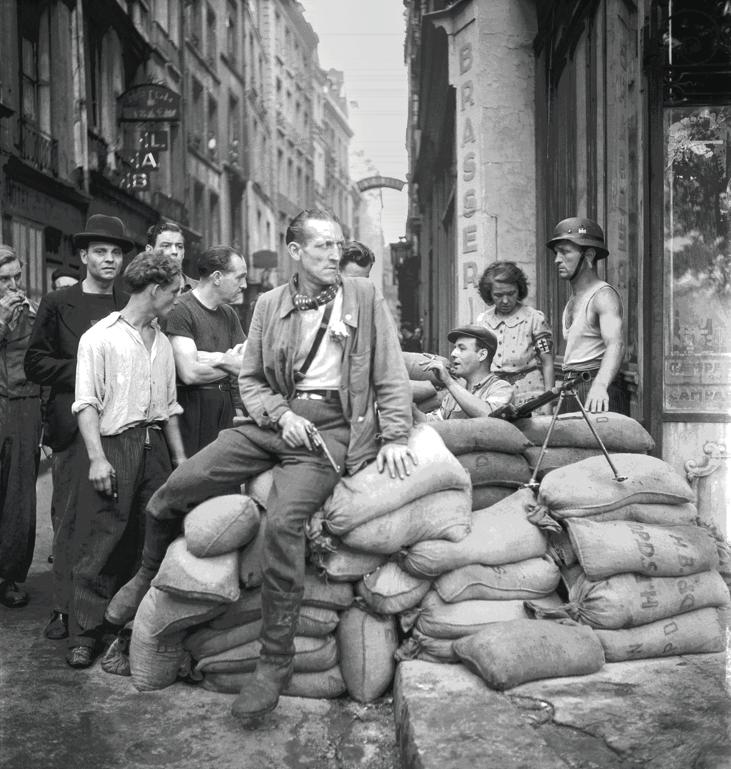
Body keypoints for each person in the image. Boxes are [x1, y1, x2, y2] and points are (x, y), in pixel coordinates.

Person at [106, 208, 415, 721]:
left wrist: (398, 435)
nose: (335, 255)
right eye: (323, 246)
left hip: (331, 431)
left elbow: (389, 372)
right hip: (272, 422)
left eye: (338, 245)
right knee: (176, 487)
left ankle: (273, 664)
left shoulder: (363, 296)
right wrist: (281, 413)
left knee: (285, 525)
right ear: (295, 252)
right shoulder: (269, 304)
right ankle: (144, 574)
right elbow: (249, 380)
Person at [65, 251, 186, 669]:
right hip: (115, 446)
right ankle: (85, 633)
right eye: (173, 292)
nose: (175, 300)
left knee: (152, 539)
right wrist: (97, 459)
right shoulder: (99, 338)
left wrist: (181, 460)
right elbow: (86, 406)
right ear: (154, 290)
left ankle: (128, 629)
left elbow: (169, 407)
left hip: (156, 448)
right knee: (103, 538)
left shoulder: (164, 341)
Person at [25, 215, 132, 640]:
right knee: (69, 521)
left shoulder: (128, 302)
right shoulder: (58, 303)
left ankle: (106, 612)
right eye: (100, 252)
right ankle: (63, 610)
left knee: (114, 523)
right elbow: (35, 362)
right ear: (84, 256)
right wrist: (86, 371)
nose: (109, 259)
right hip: (73, 429)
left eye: (116, 252)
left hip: (121, 427)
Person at [166, 245, 248, 456]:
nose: (245, 285)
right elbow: (190, 374)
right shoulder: (181, 309)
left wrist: (215, 359)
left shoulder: (229, 314)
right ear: (217, 277)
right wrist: (229, 362)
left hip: (225, 411)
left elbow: (248, 364)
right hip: (194, 413)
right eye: (239, 278)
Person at [546, 217, 625, 412]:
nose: (557, 260)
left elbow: (616, 344)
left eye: (565, 252)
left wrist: (600, 386)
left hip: (595, 389)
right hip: (572, 387)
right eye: (556, 253)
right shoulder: (573, 299)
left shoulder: (603, 296)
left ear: (588, 255)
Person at [0, 246, 42, 608]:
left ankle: (10, 576)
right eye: (3, 279)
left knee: (18, 500)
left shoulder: (29, 312)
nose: (13, 286)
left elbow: (40, 363)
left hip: (23, 408)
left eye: (16, 277)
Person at [476, 261, 554, 406]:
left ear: (519, 289)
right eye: (498, 295)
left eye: (511, 293)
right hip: (494, 395)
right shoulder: (483, 322)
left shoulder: (534, 319)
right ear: (489, 294)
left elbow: (547, 362)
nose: (505, 300)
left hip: (530, 394)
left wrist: (547, 401)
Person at [418, 324, 513, 421]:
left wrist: (449, 381)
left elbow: (490, 417)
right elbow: (434, 421)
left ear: (482, 355)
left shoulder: (501, 388)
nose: (453, 354)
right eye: (455, 348)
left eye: (462, 348)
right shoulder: (455, 393)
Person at [146, 221, 196, 292]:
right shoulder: (140, 289)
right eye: (166, 246)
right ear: (149, 251)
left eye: (179, 246)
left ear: (184, 252)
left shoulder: (200, 291)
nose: (174, 252)